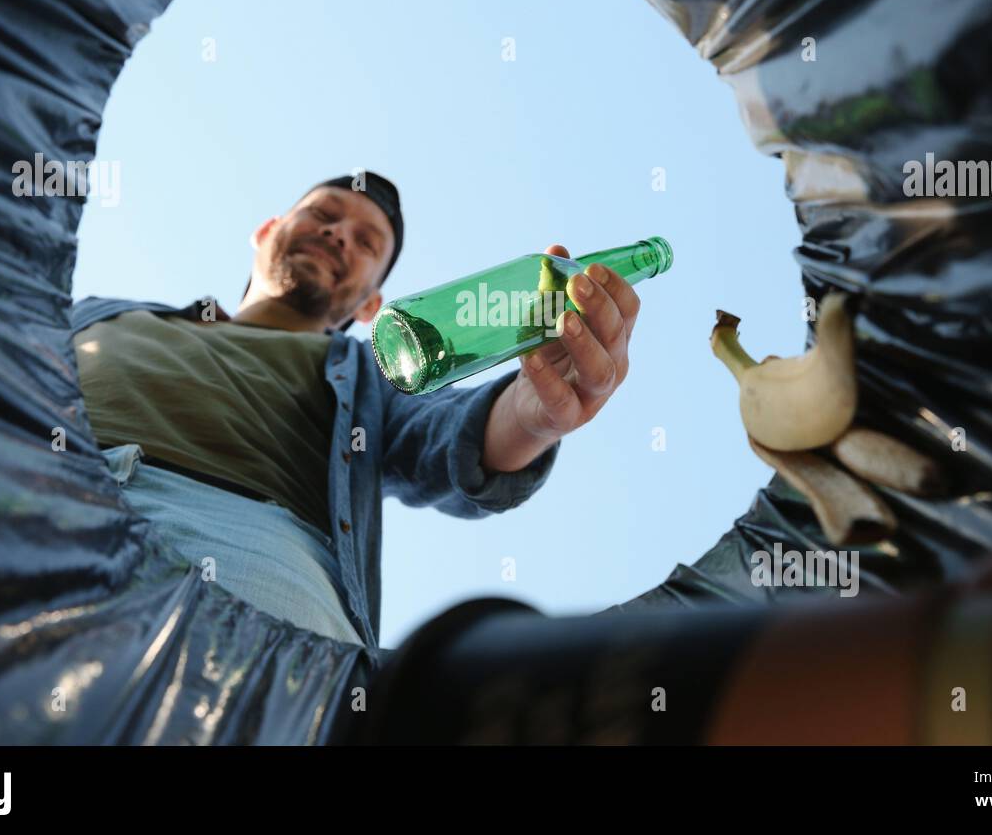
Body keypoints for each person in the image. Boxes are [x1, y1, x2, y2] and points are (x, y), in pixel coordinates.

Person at [70, 171, 642, 650]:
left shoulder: (368, 378)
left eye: (367, 242)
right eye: (324, 213)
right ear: (268, 230)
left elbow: (449, 437)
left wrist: (532, 409)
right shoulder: (105, 314)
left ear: (372, 305)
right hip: (42, 484)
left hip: (251, 563)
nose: (340, 233)